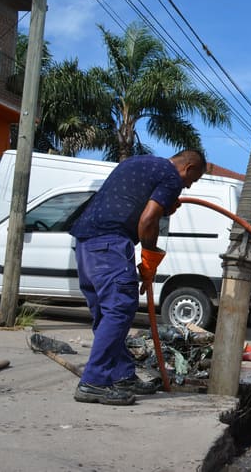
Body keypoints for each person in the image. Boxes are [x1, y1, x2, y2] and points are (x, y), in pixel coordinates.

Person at [70, 150, 207, 405]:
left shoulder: (139, 162)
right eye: (193, 180)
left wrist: (164, 207)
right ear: (188, 168)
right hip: (109, 244)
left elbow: (130, 202)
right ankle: (93, 383)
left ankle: (122, 376)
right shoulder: (171, 176)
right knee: (119, 309)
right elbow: (147, 219)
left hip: (85, 243)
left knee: (107, 314)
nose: (188, 186)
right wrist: (149, 257)